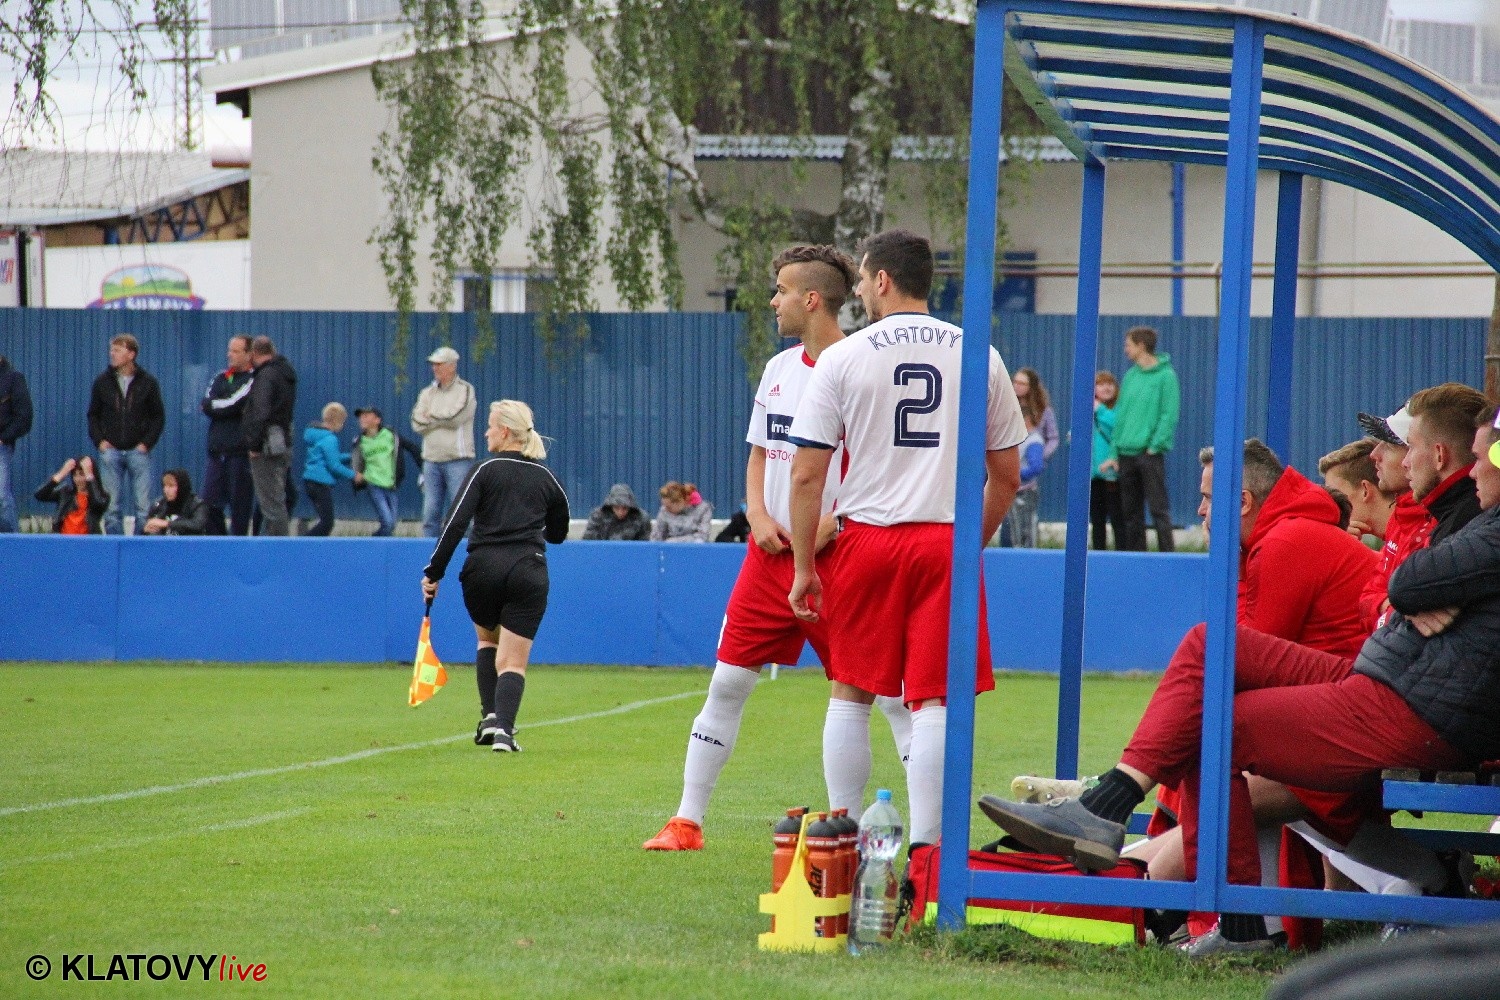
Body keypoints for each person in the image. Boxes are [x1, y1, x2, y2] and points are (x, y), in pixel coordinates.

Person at [979, 404, 1500, 956]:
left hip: (1400, 700)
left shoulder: (1298, 539)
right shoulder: (1422, 519)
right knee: (1208, 652)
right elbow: (1391, 590)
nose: (1199, 511)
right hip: (1386, 679)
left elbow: (1404, 583)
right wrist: (1404, 598)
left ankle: (1143, 845)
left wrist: (1406, 595)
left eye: (1208, 498)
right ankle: (1114, 808)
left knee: (1211, 712)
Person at [644, 244, 910, 852]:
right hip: (767, 559)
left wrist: (833, 524)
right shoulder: (779, 368)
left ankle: (893, 836)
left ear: (811, 299)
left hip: (842, 558)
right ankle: (686, 821)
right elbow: (762, 453)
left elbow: (881, 466)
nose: (773, 302)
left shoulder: (862, 368)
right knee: (727, 683)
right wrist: (759, 514)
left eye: (782, 291)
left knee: (887, 697)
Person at [787, 228, 1027, 851]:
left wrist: (804, 566)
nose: (861, 293)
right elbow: (1007, 474)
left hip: (867, 540)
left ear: (883, 280)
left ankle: (839, 840)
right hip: (944, 539)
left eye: (864, 281)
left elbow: (807, 473)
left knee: (850, 691)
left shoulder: (844, 357)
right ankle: (926, 853)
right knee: (934, 702)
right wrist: (968, 544)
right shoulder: (981, 354)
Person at [422, 400, 569, 753]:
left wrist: (434, 572)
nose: (485, 433)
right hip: (527, 570)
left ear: (504, 431)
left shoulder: (484, 470)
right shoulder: (547, 477)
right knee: (513, 661)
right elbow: (559, 533)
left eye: (489, 426)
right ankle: (504, 732)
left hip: (482, 569)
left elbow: (455, 523)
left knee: (488, 642)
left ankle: (489, 717)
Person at [1358, 385, 1485, 631]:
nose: (1374, 454)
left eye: (1409, 446)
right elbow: (1367, 600)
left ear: (1439, 455)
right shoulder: (1408, 514)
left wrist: (1392, 614)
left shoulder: (1464, 521)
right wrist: (1394, 614)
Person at [87, 334, 165, 535]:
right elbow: (93, 415)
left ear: (131, 354)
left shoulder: (148, 382)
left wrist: (146, 443)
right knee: (111, 507)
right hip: (110, 451)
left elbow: (158, 416)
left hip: (138, 451)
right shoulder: (102, 382)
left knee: (143, 507)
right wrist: (100, 441)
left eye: (117, 350)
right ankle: (115, 545)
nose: (112, 354)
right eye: (111, 350)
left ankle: (141, 545)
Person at [1113, 325, 1180, 552]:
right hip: (1126, 453)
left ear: (1141, 346)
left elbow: (1168, 414)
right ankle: (1136, 557)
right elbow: (1121, 415)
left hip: (1149, 453)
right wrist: (1115, 450)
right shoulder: (1130, 376)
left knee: (1158, 508)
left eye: (1128, 345)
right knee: (1130, 512)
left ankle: (1167, 556)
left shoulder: (1166, 376)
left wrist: (1155, 445)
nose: (1126, 350)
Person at [411, 346, 477, 538]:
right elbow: (416, 423)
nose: (435, 368)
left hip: (458, 460)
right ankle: (431, 552)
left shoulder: (465, 389)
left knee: (462, 512)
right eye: (433, 364)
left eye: (439, 364)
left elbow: (456, 418)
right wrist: (440, 418)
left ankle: (466, 550)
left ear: (452, 366)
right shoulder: (427, 393)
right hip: (431, 460)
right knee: (430, 513)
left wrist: (430, 416)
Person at [242, 336, 298, 536]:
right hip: (282, 441)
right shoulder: (285, 373)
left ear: (254, 353)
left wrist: (254, 445)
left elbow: (261, 412)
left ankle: (278, 548)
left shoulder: (266, 376)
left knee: (271, 504)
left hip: (266, 446)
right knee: (277, 498)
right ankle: (275, 542)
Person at [201, 335, 256, 535]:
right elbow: (206, 403)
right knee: (208, 503)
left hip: (239, 453)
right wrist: (218, 406)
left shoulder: (253, 379)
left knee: (239, 507)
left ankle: (238, 546)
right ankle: (219, 542)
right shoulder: (220, 377)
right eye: (229, 350)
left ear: (249, 354)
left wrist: (216, 406)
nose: (229, 355)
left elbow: (235, 402)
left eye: (235, 351)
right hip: (217, 452)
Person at [351, 407, 422, 537]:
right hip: (373, 483)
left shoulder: (390, 435)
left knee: (392, 524)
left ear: (377, 420)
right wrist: (356, 475)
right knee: (388, 522)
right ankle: (375, 543)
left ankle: (375, 541)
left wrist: (423, 466)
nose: (362, 419)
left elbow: (412, 447)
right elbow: (355, 461)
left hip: (390, 484)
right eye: (361, 417)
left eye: (366, 416)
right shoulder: (359, 441)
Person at [1318, 438, 1398, 543]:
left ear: (1365, 491)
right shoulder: (1398, 540)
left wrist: (1340, 545)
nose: (1331, 504)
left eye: (1336, 496)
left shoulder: (1411, 539)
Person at [302, 403, 356, 537]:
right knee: (327, 523)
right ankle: (302, 544)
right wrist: (354, 475)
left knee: (325, 521)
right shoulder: (330, 439)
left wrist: (352, 457)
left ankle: (311, 545)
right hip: (320, 484)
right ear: (337, 421)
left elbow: (331, 457)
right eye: (343, 422)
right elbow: (334, 466)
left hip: (310, 482)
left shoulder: (316, 435)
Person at [1001, 411, 1046, 547]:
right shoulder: (1019, 438)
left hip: (1025, 491)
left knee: (1025, 530)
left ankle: (1027, 556)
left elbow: (1036, 467)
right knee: (1012, 529)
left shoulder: (1033, 440)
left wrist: (1015, 474)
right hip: (1014, 489)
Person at [0, 353, 34, 533]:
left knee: (2, 497)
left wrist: (4, 438)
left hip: (1, 446)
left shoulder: (13, 379)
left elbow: (24, 416)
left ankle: (10, 541)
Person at [1090, 371, 1123, 549]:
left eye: (1110, 384)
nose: (1106, 388)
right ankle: (1097, 553)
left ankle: (1121, 553)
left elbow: (1117, 426)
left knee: (1118, 517)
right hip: (1094, 474)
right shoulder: (1088, 411)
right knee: (1097, 519)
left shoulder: (1117, 409)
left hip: (1112, 472)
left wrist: (1100, 410)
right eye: (1101, 384)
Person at [35, 456, 109, 534]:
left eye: (82, 474)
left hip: (87, 540)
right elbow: (39, 495)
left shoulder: (102, 496)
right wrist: (61, 474)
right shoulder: (65, 493)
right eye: (75, 475)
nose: (78, 479)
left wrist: (89, 476)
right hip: (63, 539)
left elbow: (98, 503)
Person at [141, 469, 212, 536]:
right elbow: (147, 528)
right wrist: (145, 530)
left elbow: (197, 525)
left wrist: (167, 524)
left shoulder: (197, 504)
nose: (166, 490)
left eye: (171, 486)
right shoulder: (159, 505)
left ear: (182, 487)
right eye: (165, 485)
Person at [581, 483, 652, 541]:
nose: (620, 512)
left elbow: (644, 545)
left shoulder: (642, 518)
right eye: (616, 508)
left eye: (625, 508)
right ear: (610, 506)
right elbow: (588, 542)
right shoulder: (598, 516)